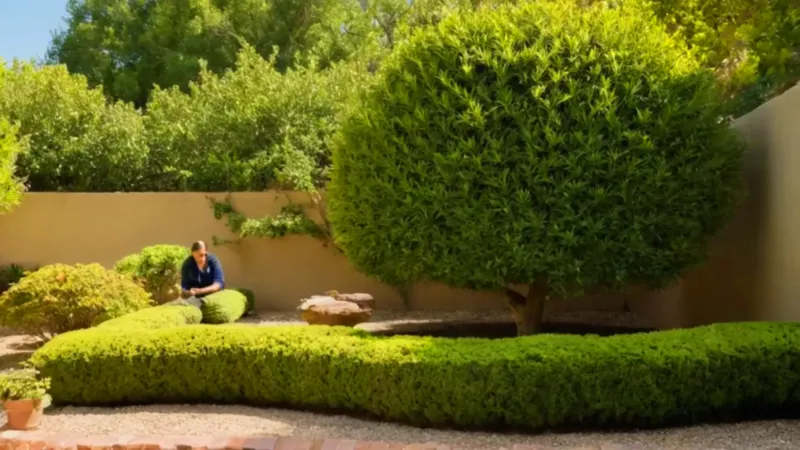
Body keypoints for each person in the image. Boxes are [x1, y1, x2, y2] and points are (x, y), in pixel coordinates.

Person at [179, 240, 225, 307]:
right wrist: (188, 292)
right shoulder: (187, 264)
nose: (200, 260)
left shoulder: (213, 261)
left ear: (206, 252)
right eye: (195, 257)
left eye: (202, 255)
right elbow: (184, 286)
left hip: (213, 293)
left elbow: (219, 283)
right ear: (192, 254)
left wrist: (200, 291)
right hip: (195, 296)